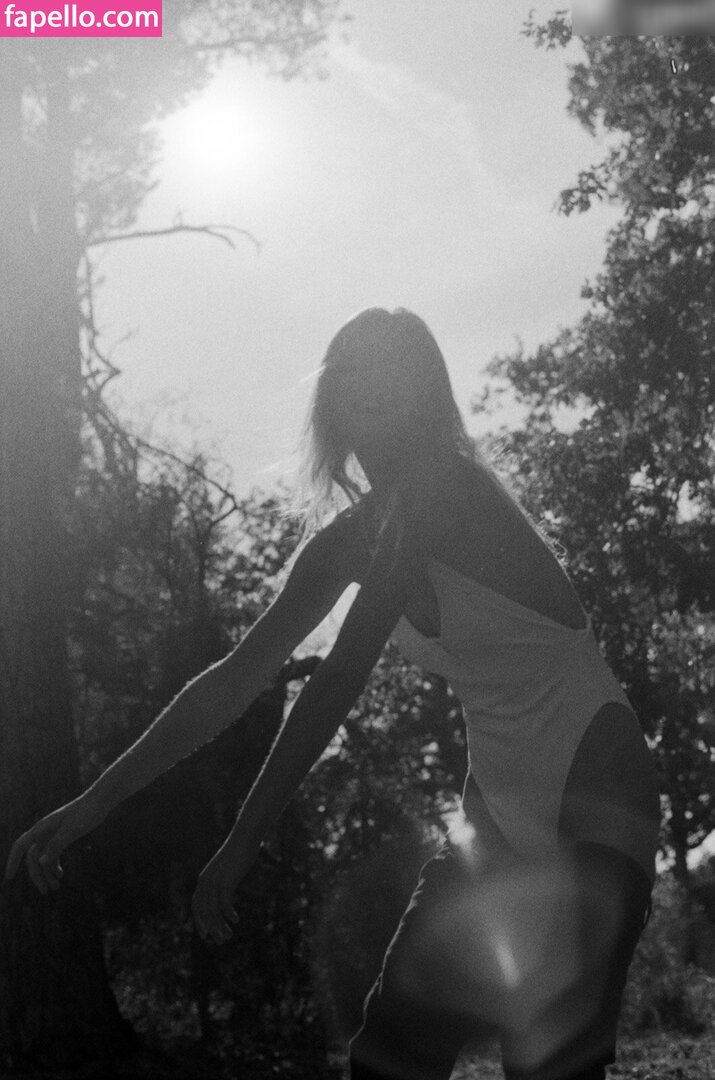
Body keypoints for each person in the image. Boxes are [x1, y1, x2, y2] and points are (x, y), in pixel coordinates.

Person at [5, 308, 660, 1080]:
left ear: (426, 389)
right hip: (495, 818)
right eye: (353, 366)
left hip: (597, 792)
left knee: (545, 1061)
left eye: (391, 366)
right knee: (388, 1056)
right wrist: (89, 807)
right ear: (330, 393)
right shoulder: (347, 541)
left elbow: (341, 677)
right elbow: (231, 682)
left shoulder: (444, 489)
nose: (371, 382)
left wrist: (243, 841)